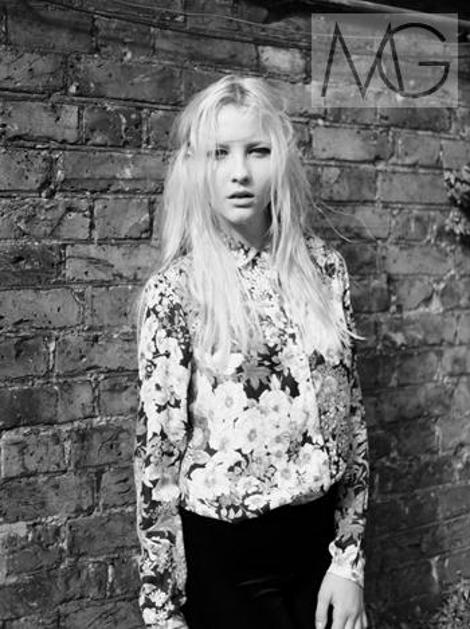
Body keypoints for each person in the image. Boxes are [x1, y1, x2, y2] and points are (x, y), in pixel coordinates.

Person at [133, 74, 369, 629]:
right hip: (226, 561)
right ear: (197, 167)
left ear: (279, 159)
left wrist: (349, 561)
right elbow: (157, 458)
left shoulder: (324, 271)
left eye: (257, 150)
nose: (239, 172)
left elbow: (351, 422)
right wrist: (162, 609)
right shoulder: (177, 292)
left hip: (318, 549)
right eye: (220, 153)